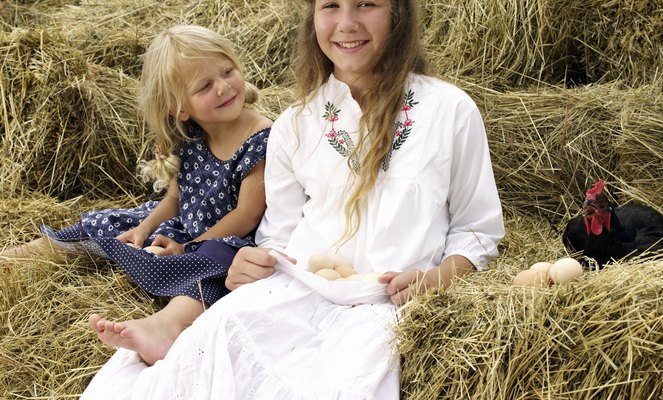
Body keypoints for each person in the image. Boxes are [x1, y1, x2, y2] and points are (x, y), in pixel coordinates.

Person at [81, 0, 504, 398]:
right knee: (207, 351)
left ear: (398, 15)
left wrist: (439, 278)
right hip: (293, 290)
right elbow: (278, 233)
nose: (347, 23)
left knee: (341, 383)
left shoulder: (449, 111)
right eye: (330, 6)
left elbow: (476, 229)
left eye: (367, 4)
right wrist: (254, 260)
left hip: (385, 305)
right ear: (313, 19)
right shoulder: (295, 124)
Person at [2, 25, 272, 366]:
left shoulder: (260, 137)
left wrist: (189, 247)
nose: (223, 87)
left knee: (217, 267)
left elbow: (246, 216)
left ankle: (167, 325)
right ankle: (39, 251)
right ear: (181, 109)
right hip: (183, 226)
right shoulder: (191, 136)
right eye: (204, 86)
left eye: (227, 71)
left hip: (223, 238)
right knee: (117, 218)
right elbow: (175, 199)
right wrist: (144, 229)